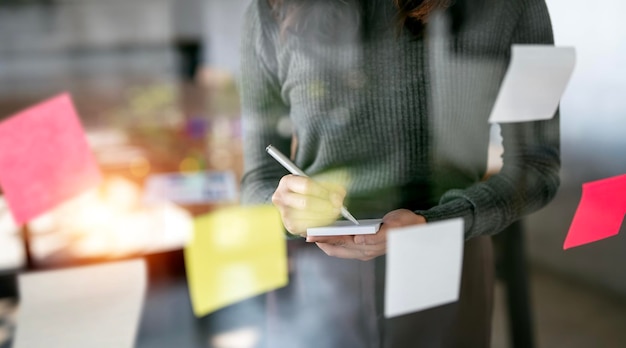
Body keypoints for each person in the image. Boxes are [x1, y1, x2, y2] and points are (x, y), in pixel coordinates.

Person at [239, 0, 560, 347]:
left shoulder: (512, 6)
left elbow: (537, 166)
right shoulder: (269, 10)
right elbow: (259, 180)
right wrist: (284, 210)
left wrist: (439, 221)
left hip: (446, 265)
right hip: (320, 283)